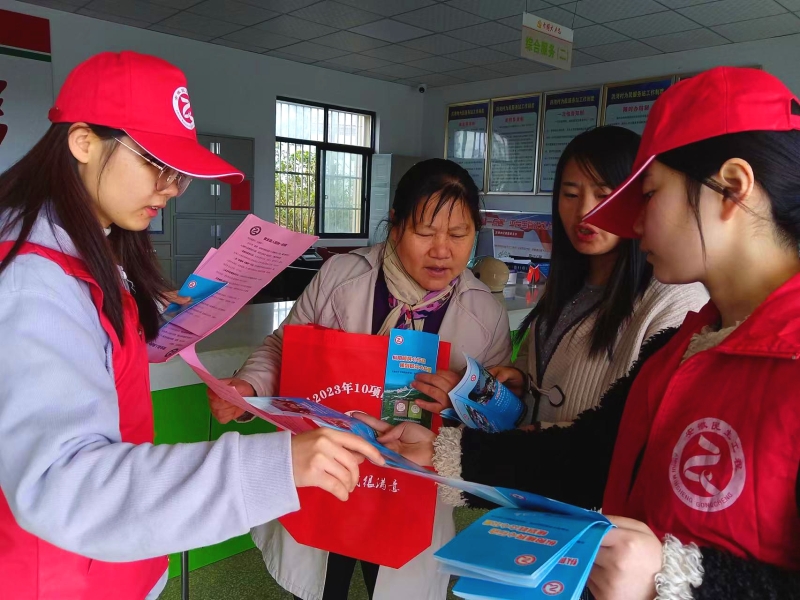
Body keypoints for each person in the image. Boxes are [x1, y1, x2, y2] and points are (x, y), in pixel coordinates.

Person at [360, 66, 800, 599]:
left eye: (650, 195)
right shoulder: (681, 347)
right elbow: (590, 455)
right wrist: (442, 453)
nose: (632, 226)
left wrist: (679, 579)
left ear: (730, 189)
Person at [0, 51, 383, 600]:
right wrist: (276, 466)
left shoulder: (85, 250)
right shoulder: (33, 283)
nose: (173, 188)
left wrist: (143, 308)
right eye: (156, 164)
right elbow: (63, 484)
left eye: (178, 171)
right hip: (58, 576)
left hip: (102, 563)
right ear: (83, 142)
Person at [208, 158, 512, 600]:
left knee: (391, 584)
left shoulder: (484, 314)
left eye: (459, 234)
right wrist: (248, 387)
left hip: (411, 485)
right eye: (425, 232)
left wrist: (462, 399)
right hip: (330, 467)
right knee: (321, 580)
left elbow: (496, 419)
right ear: (395, 227)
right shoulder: (340, 277)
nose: (442, 250)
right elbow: (285, 346)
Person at [412, 126, 707, 429]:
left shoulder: (676, 301)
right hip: (526, 471)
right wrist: (518, 385)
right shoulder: (567, 286)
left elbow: (642, 431)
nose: (585, 211)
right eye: (571, 194)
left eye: (604, 194)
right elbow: (536, 393)